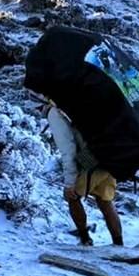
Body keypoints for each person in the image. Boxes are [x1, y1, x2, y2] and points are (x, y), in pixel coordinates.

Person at [46, 102, 124, 246]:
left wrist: (70, 183)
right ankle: (119, 244)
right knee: (105, 201)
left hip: (93, 158)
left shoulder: (55, 113)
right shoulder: (78, 102)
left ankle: (85, 239)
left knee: (72, 196)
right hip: (111, 151)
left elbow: (68, 151)